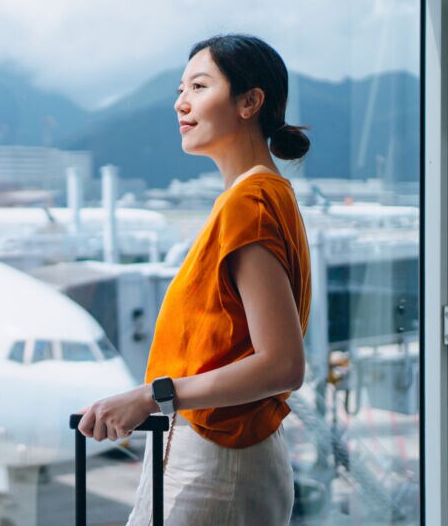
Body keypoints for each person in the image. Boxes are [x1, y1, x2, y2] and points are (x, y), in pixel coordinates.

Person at [77, 33, 312, 526]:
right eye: (179, 90)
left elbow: (282, 364)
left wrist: (151, 395)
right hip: (218, 452)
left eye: (199, 86)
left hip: (218, 463)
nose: (181, 104)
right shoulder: (261, 195)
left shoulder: (250, 202)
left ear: (250, 102)